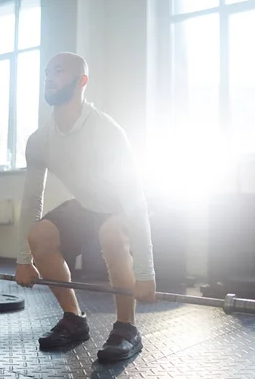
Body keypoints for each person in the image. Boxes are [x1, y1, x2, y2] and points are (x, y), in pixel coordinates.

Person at [15, 52, 156, 362]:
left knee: (110, 233)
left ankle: (127, 328)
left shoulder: (106, 131)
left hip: (124, 204)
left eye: (59, 71)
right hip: (88, 204)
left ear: (82, 81)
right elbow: (31, 201)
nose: (49, 77)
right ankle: (74, 318)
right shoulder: (40, 140)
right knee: (39, 236)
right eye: (47, 72)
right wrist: (24, 260)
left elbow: (135, 201)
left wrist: (146, 274)